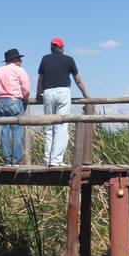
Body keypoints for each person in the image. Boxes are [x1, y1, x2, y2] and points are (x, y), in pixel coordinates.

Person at [36, 37, 90, 166]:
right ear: (62, 48)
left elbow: (40, 80)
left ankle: (48, 159)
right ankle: (56, 160)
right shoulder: (68, 59)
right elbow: (78, 80)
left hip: (48, 93)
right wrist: (86, 95)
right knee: (61, 126)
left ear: (51, 47)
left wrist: (38, 94)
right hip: (63, 92)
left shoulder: (44, 59)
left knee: (49, 126)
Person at [0, 48, 30, 166]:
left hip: (1, 101)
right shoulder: (19, 70)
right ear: (15, 60)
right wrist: (25, 98)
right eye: (19, 59)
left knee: (5, 130)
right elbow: (26, 87)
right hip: (15, 100)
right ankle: (16, 160)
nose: (21, 61)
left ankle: (7, 160)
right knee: (17, 130)